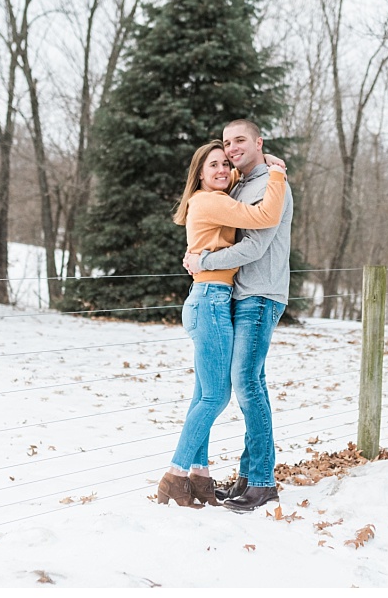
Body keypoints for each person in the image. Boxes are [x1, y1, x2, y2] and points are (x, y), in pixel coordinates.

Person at [156, 139, 288, 507]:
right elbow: (264, 217)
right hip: (211, 301)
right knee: (216, 396)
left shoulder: (214, 198)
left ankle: (199, 475)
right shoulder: (211, 200)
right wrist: (277, 175)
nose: (220, 170)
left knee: (204, 394)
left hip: (209, 299)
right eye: (211, 164)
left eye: (223, 164)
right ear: (198, 174)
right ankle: (175, 473)